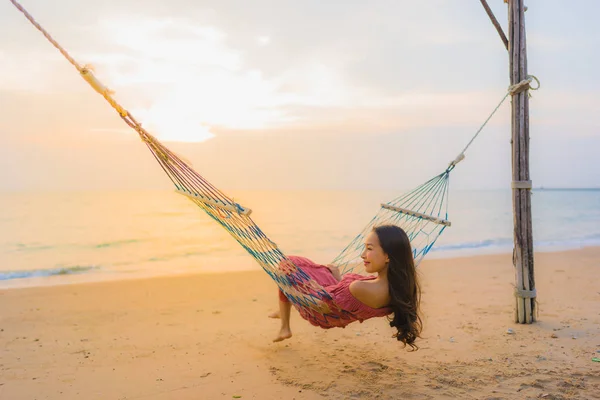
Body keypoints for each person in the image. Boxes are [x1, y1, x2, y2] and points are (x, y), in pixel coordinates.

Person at [269, 224, 423, 350]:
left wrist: (291, 292)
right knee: (294, 264)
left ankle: (285, 321)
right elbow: (347, 302)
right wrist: (338, 279)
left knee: (287, 266)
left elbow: (322, 307)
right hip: (332, 297)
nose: (363, 255)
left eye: (369, 249)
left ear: (388, 256)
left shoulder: (363, 288)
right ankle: (283, 314)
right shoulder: (394, 287)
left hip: (321, 308)